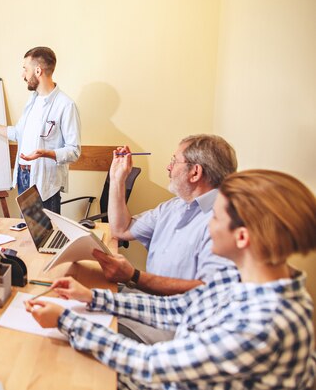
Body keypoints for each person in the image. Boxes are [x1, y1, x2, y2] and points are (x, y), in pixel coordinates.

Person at [26, 169, 316, 389]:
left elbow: (151, 365)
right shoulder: (237, 276)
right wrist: (91, 297)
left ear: (242, 237)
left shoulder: (263, 322)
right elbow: (176, 310)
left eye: (215, 217)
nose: (208, 224)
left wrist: (66, 320)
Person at [95, 135, 238, 343]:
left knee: (89, 318)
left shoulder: (223, 221)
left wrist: (134, 276)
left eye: (174, 161)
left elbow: (208, 292)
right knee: (86, 294)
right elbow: (120, 229)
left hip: (177, 325)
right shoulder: (174, 206)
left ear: (195, 172)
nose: (168, 168)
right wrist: (117, 179)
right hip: (151, 302)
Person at [0, 46, 81, 213]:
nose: (23, 75)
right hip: (24, 176)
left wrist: (46, 153)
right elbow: (16, 134)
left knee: (45, 235)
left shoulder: (65, 105)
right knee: (30, 233)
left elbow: (74, 151)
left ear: (38, 71)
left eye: (25, 69)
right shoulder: (33, 101)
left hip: (44, 182)